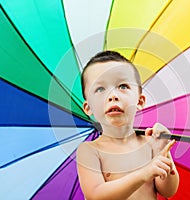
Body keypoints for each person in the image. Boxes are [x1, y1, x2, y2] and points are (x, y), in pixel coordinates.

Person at [76, 51, 179, 200]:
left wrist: (163, 152)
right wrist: (143, 174)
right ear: (88, 108)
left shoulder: (149, 144)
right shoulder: (90, 151)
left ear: (140, 101)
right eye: (100, 89)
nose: (113, 96)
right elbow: (96, 194)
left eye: (122, 86)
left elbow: (168, 190)